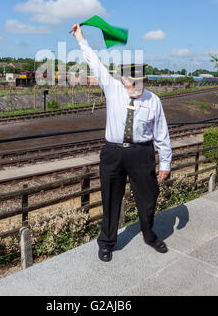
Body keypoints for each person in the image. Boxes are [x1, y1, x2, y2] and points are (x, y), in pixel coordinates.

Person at [71, 23, 172, 262]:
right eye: (131, 83)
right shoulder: (111, 87)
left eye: (140, 83)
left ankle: (149, 235)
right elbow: (94, 62)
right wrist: (80, 38)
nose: (136, 88)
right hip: (113, 153)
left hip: (141, 154)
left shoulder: (153, 100)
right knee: (110, 199)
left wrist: (165, 163)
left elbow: (162, 134)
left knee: (148, 198)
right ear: (123, 79)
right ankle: (106, 243)